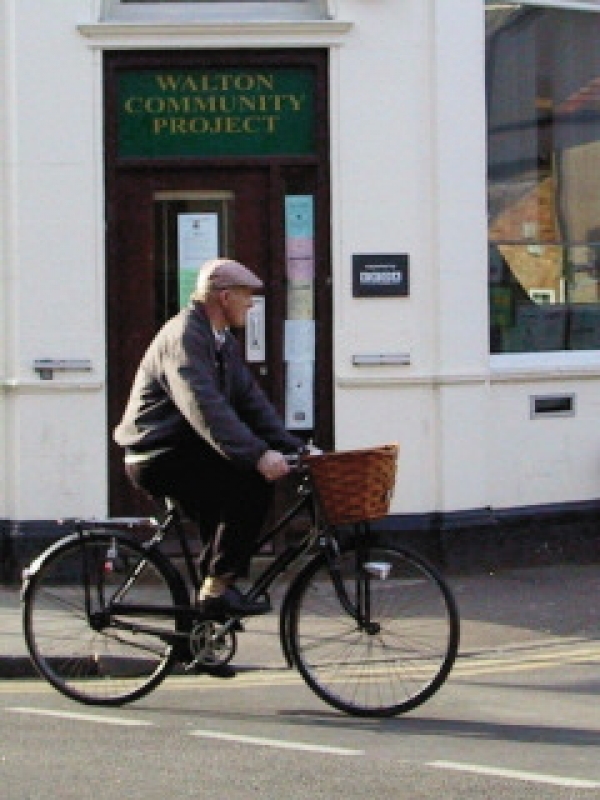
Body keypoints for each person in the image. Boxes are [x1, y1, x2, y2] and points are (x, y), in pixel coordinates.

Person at [114, 258, 306, 628]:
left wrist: (294, 447)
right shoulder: (186, 335)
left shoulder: (220, 341)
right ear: (224, 296)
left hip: (185, 451)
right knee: (250, 482)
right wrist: (257, 455)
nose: (251, 305)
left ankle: (201, 631)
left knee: (226, 514)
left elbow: (252, 403)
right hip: (157, 453)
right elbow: (204, 407)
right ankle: (216, 592)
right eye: (246, 296)